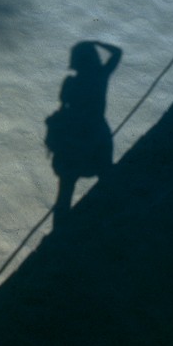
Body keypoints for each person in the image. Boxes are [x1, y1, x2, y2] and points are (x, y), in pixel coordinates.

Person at [45, 41, 122, 227]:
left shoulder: (71, 83)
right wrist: (97, 43)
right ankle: (112, 216)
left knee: (66, 188)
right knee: (105, 174)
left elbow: (64, 106)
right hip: (95, 132)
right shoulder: (100, 76)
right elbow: (117, 52)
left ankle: (59, 230)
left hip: (73, 135)